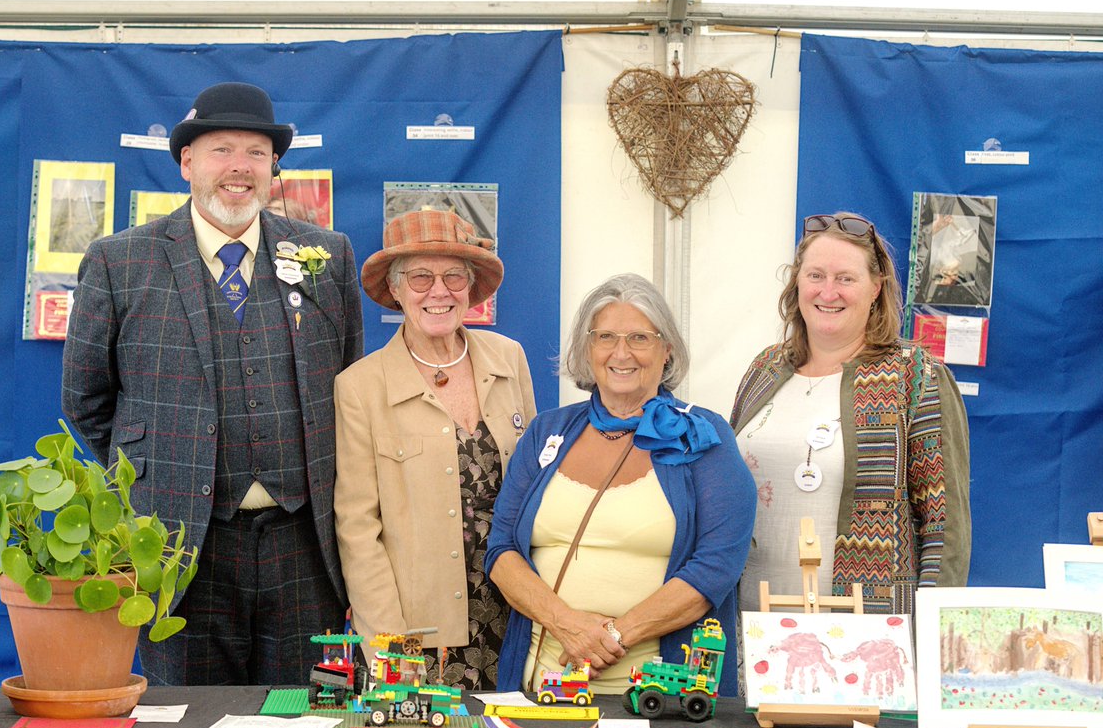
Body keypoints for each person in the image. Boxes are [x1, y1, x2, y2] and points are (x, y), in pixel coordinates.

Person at [62, 82, 363, 685]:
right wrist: (158, 471)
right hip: (178, 547)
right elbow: (85, 399)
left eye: (256, 153)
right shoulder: (119, 261)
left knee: (306, 714)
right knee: (187, 722)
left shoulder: (326, 255)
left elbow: (350, 386)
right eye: (222, 149)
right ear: (187, 163)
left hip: (303, 544)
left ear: (273, 167)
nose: (239, 167)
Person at [486, 273, 756, 697]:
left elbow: (717, 567)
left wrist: (612, 636)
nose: (621, 352)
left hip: (661, 695)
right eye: (605, 336)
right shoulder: (546, 432)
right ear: (586, 348)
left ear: (667, 350)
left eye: (639, 338)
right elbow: (501, 549)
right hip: (541, 683)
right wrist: (566, 624)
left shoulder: (705, 436)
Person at [729, 212, 970, 618]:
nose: (828, 291)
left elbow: (945, 528)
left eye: (845, 278)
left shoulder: (915, 376)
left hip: (864, 634)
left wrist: (930, 630)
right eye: (816, 275)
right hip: (749, 623)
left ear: (876, 287)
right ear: (797, 283)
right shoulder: (764, 369)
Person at [334, 209, 537, 690]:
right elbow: (358, 529)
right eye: (421, 277)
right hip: (421, 631)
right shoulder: (360, 387)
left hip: (518, 614)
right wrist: (387, 645)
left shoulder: (509, 359)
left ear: (470, 287)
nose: (439, 291)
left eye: (453, 276)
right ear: (396, 289)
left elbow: (538, 488)